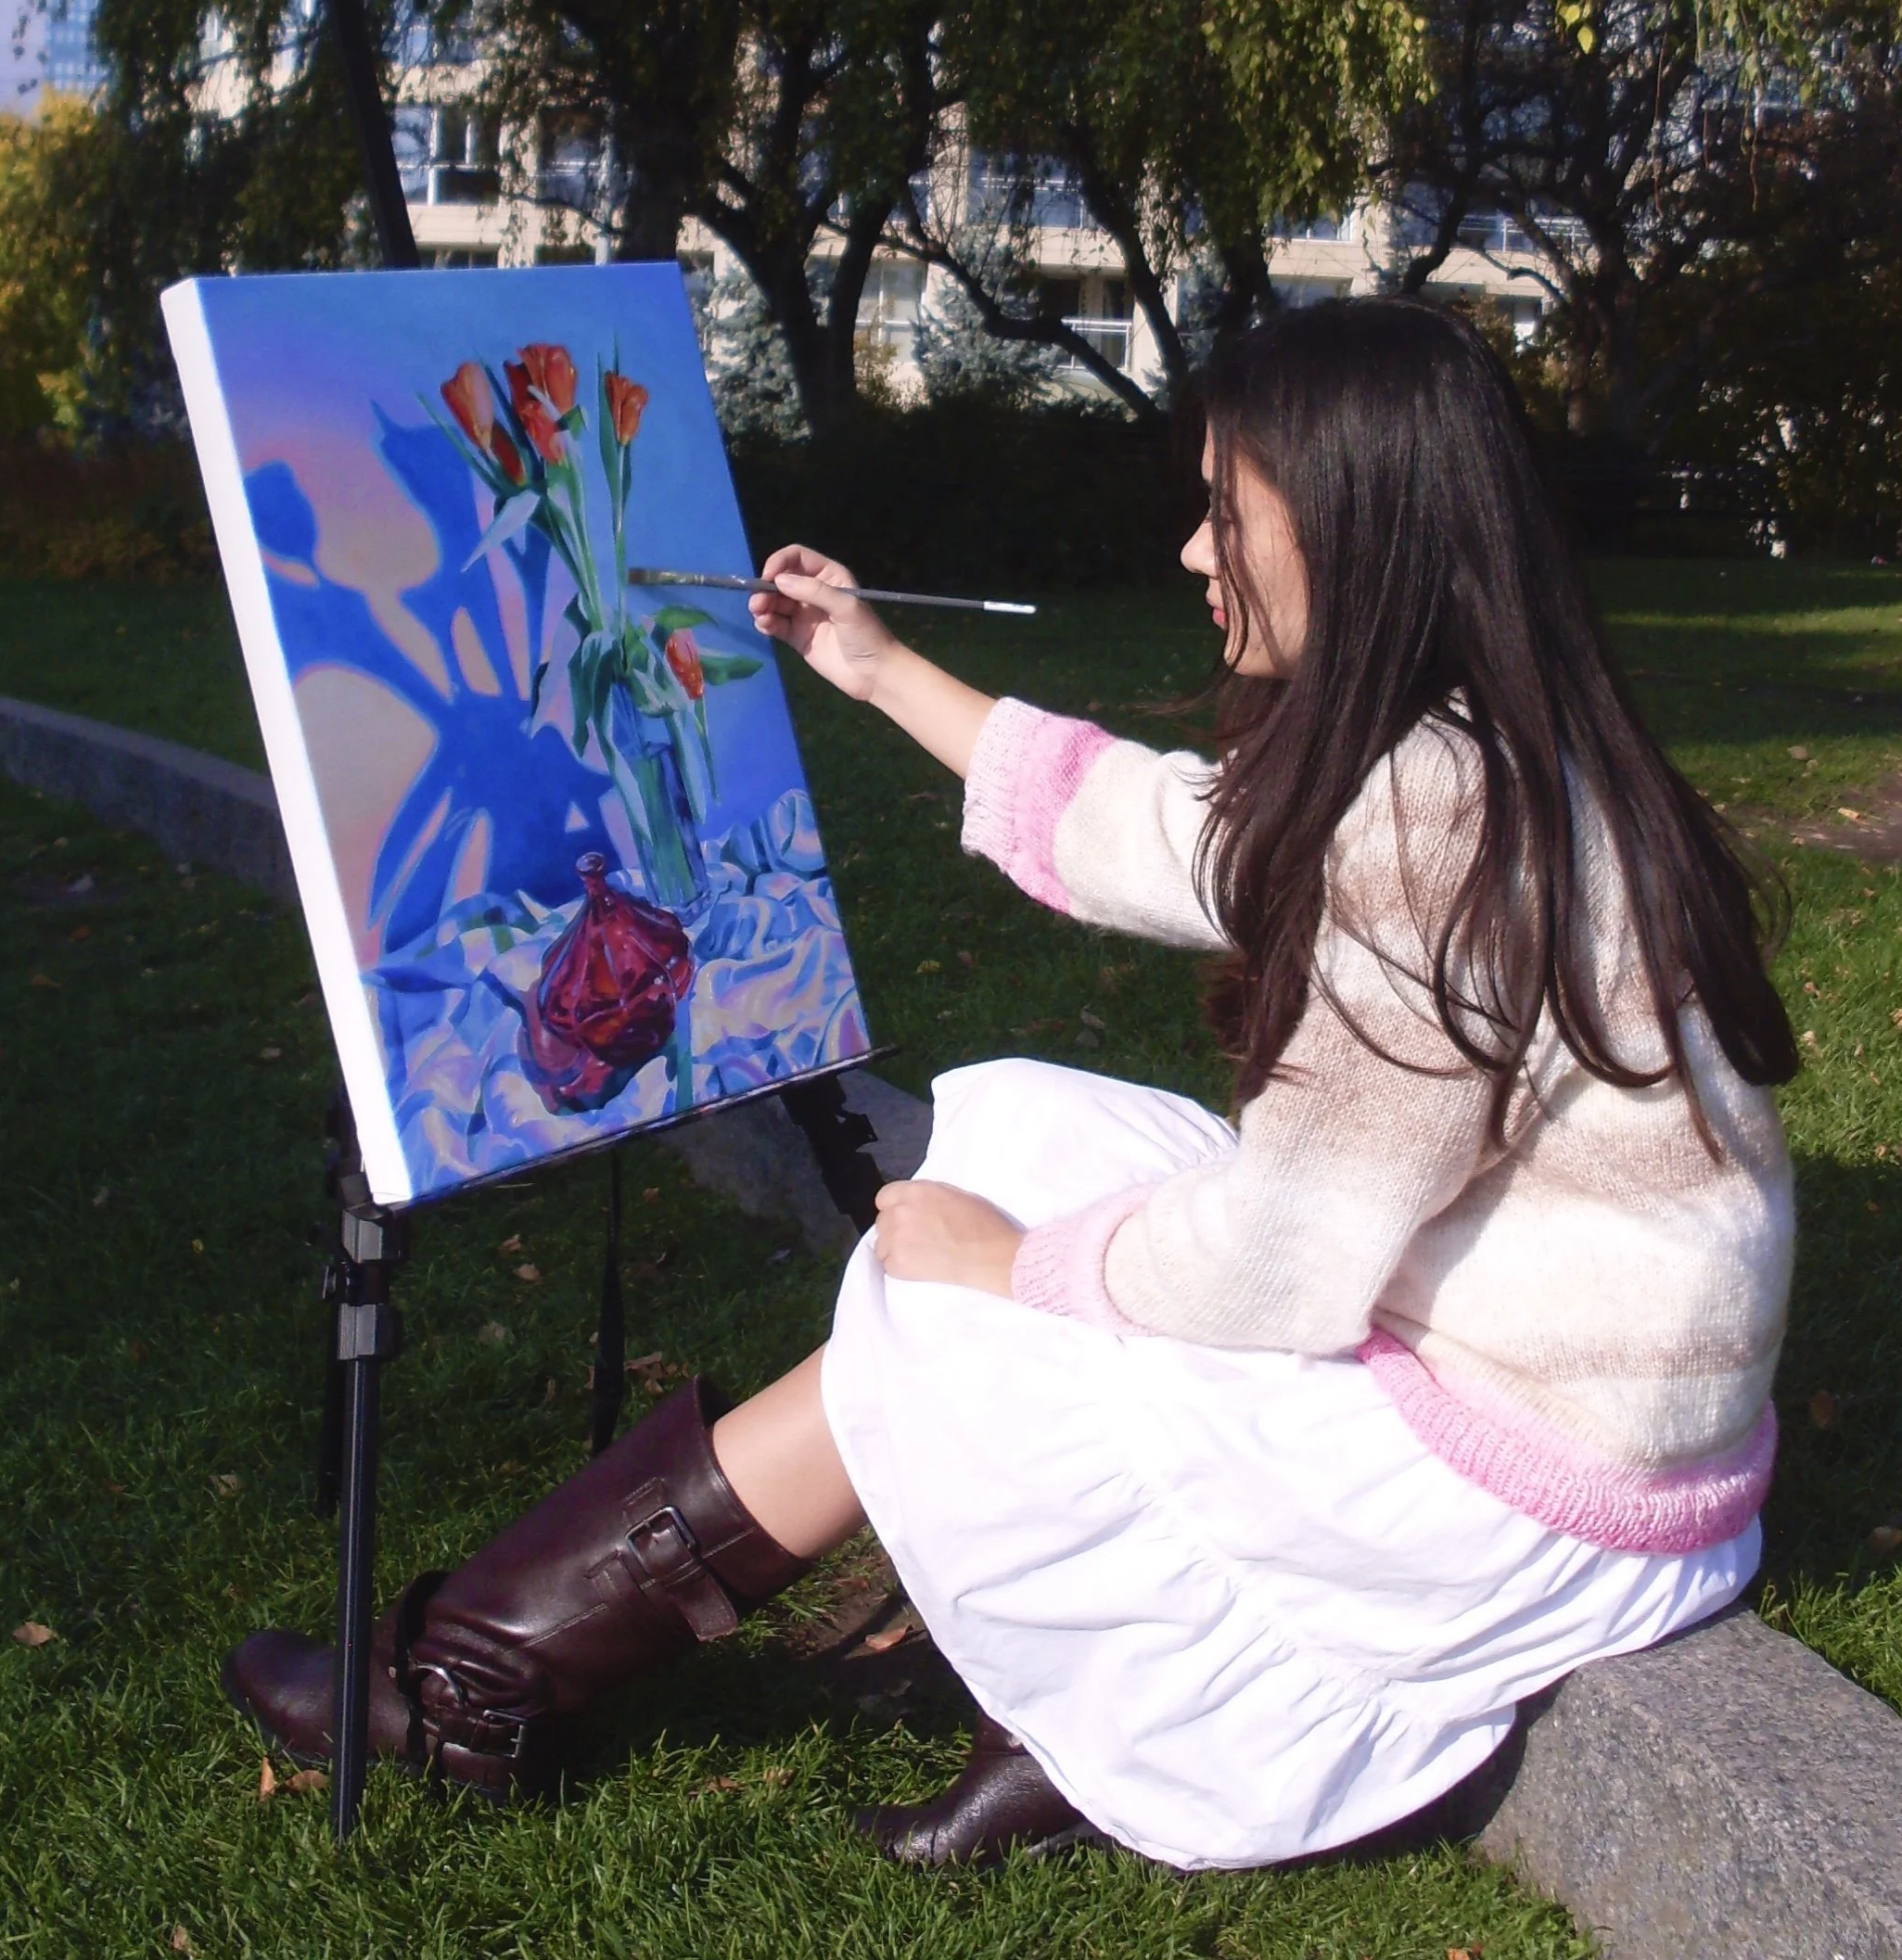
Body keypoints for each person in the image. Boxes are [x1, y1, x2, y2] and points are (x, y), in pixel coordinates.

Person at [225, 299, 1797, 1872]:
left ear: (1353, 532)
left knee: (967, 1281)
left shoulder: (1436, 818)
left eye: (1224, 514)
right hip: (1585, 1413)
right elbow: (1170, 827)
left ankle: (478, 1679)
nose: (1194, 555)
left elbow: (1286, 1261)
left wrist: (1014, 1264)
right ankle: (499, 1661)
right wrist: (877, 665)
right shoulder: (1483, 750)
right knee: (1027, 1124)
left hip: (1527, 1491)